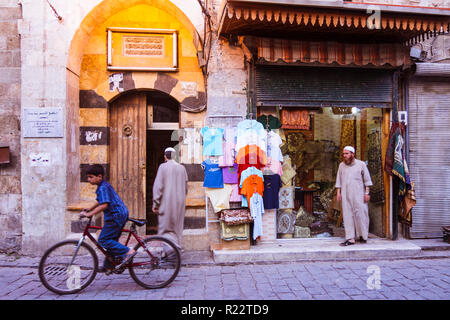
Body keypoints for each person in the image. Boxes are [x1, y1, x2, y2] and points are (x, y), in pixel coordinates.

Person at [79, 164, 135, 273]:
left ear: (99, 176)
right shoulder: (103, 186)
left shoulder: (103, 187)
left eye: (90, 177)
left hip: (115, 215)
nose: (88, 179)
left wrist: (90, 214)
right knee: (111, 240)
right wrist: (89, 209)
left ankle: (129, 252)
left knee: (104, 240)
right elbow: (99, 201)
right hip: (118, 214)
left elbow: (104, 205)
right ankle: (108, 266)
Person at [335, 146, 373, 246]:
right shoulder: (341, 165)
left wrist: (367, 193)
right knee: (347, 215)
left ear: (352, 154)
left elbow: (367, 180)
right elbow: (339, 179)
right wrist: (338, 192)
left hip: (359, 194)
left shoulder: (361, 164)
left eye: (347, 154)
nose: (345, 156)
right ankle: (350, 238)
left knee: (361, 214)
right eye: (343, 154)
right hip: (346, 194)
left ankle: (363, 235)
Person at [152, 147, 188, 250]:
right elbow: (186, 188)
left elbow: (158, 187)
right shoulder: (182, 168)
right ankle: (177, 250)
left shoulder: (162, 167)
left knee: (166, 228)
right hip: (180, 203)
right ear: (175, 156)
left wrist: (155, 204)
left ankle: (169, 252)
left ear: (165, 156)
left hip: (166, 202)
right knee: (178, 227)